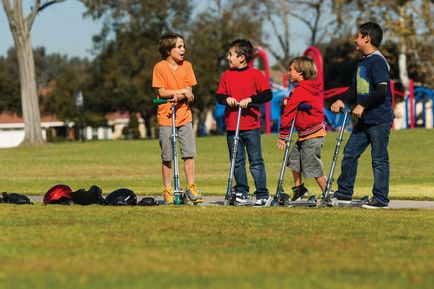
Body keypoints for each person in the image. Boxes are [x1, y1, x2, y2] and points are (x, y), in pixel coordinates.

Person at [330, 22, 393, 209]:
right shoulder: (363, 62)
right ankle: (344, 194)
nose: (355, 40)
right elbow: (355, 89)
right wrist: (342, 100)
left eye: (358, 36)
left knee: (379, 159)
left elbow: (382, 91)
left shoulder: (378, 61)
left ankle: (380, 199)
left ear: (367, 38)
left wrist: (362, 104)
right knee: (350, 153)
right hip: (365, 120)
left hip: (379, 120)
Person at [216, 39, 272, 207]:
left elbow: (267, 94)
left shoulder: (255, 74)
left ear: (241, 57)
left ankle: (262, 193)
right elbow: (219, 96)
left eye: (230, 55)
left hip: (251, 127)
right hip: (233, 126)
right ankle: (241, 192)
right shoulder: (226, 75)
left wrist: (251, 99)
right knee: (237, 161)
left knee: (255, 161)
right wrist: (227, 99)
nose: (227, 57)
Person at [152, 32, 202, 205]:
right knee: (167, 155)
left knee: (188, 153)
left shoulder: (187, 66)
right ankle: (168, 189)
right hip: (166, 117)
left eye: (183, 46)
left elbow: (190, 91)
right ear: (168, 50)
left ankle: (191, 187)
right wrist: (181, 93)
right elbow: (162, 92)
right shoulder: (159, 67)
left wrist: (183, 95)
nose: (183, 49)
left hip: (184, 117)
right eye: (179, 47)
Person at [278, 56, 327, 201]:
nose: (288, 73)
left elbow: (288, 114)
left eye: (291, 70)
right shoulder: (307, 88)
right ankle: (299, 190)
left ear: (300, 73)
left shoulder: (300, 91)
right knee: (294, 159)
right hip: (306, 134)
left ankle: (327, 192)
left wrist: (283, 136)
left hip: (312, 134)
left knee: (311, 164)